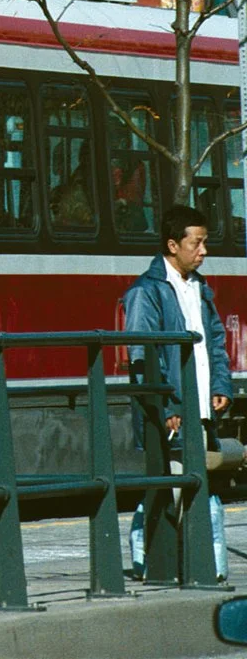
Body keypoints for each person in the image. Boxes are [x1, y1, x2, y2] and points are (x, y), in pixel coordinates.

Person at [123, 203, 233, 582]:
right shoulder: (146, 291)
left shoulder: (198, 287)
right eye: (197, 243)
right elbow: (143, 353)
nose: (204, 251)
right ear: (173, 244)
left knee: (194, 484)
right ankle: (150, 559)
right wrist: (167, 403)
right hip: (173, 408)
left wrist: (220, 385)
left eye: (204, 243)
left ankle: (207, 566)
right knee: (170, 485)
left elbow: (214, 340)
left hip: (200, 405)